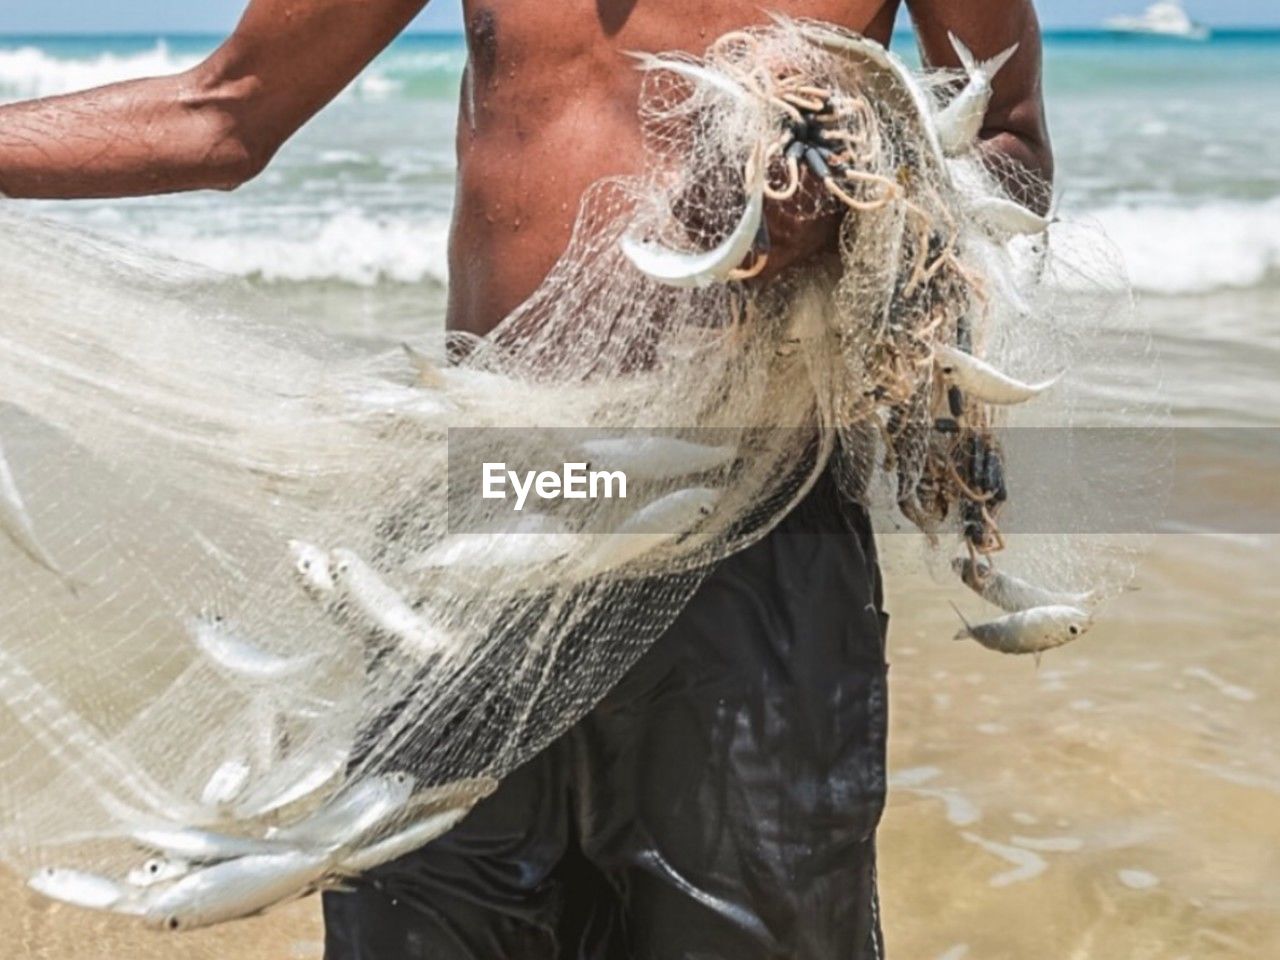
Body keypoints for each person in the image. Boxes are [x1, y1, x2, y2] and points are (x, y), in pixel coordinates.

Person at [0, 1, 1051, 956]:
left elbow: (1005, 139)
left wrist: (871, 189)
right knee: (424, 924)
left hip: (758, 509)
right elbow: (221, 113)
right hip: (483, 497)